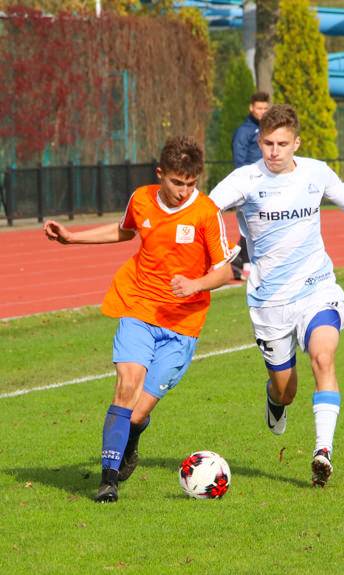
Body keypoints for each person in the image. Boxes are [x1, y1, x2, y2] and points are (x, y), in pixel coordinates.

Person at [44, 137, 238, 503]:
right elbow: (125, 229)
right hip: (139, 307)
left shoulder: (206, 213)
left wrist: (194, 283)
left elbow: (224, 271)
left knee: (136, 413)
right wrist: (73, 238)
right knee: (126, 384)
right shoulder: (142, 198)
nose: (183, 192)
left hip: (182, 325)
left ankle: (130, 441)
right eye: (177, 182)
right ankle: (108, 481)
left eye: (191, 184)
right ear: (160, 174)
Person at [209, 104, 344, 487]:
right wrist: (215, 252)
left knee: (323, 357)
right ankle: (275, 400)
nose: (274, 151)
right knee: (286, 390)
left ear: (296, 143)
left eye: (282, 144)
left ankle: (323, 452)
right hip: (269, 302)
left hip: (316, 287)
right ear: (259, 141)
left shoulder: (314, 172)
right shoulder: (244, 180)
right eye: (268, 143)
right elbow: (207, 211)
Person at [231, 91, 271, 281]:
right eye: (259, 108)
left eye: (265, 108)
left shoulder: (268, 130)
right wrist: (245, 183)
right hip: (250, 185)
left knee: (263, 223)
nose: (262, 111)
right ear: (251, 108)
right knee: (251, 224)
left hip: (268, 184)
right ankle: (243, 262)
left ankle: (239, 260)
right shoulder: (244, 131)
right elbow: (239, 159)